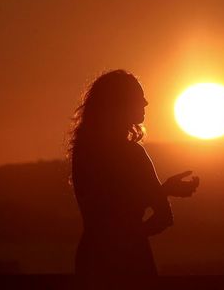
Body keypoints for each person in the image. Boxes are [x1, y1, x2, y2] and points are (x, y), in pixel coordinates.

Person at [69, 70, 200, 289]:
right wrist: (134, 236)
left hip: (92, 259)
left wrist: (162, 191)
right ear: (120, 103)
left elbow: (105, 209)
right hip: (132, 264)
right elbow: (162, 217)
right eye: (139, 98)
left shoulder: (83, 153)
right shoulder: (132, 154)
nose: (146, 103)